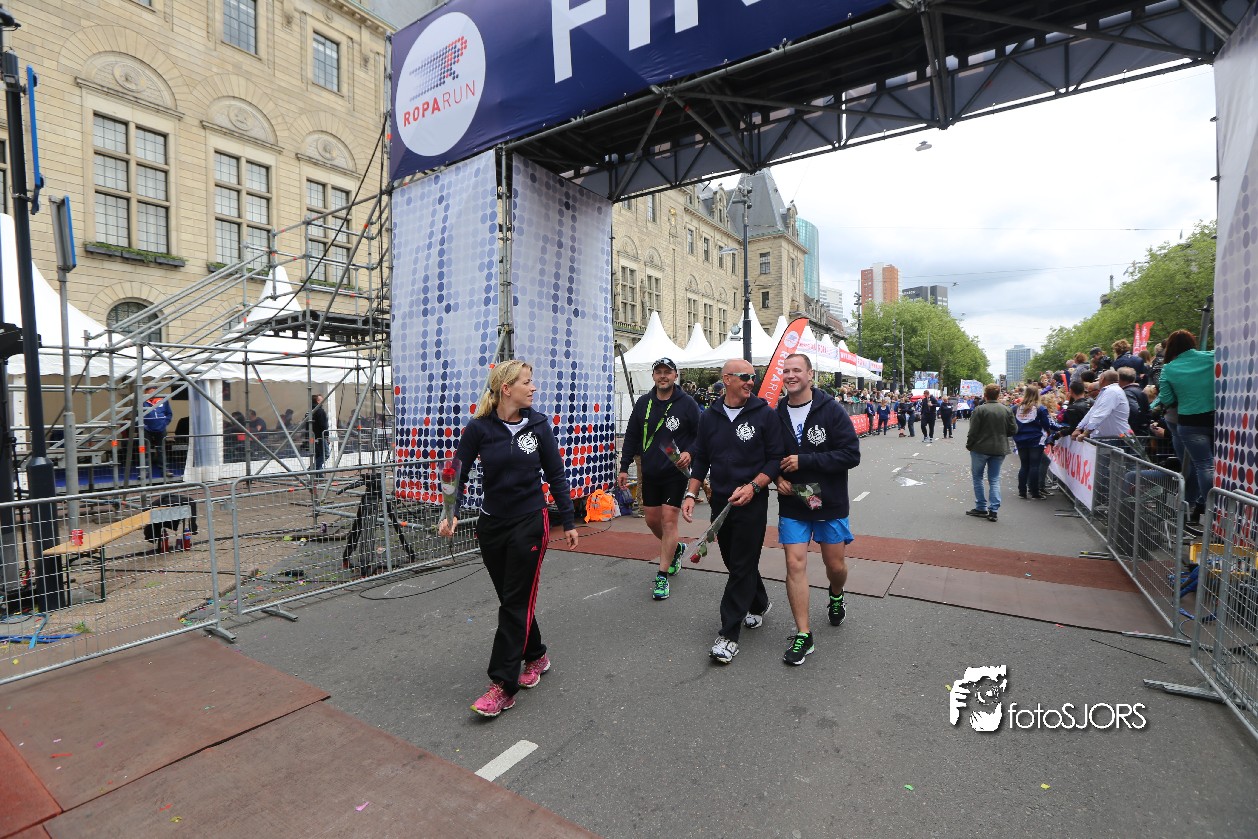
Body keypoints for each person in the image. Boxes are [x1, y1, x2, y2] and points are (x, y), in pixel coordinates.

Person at [438, 360, 579, 718]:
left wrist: (568, 520)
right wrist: (449, 511)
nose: (533, 388)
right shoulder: (479, 428)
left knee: (515, 601)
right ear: (506, 389)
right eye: (526, 382)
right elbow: (455, 470)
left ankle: (502, 685)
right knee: (512, 598)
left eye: (532, 382)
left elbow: (556, 474)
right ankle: (537, 655)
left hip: (530, 522)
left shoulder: (539, 425)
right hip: (491, 524)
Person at [681, 358, 785, 665]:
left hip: (752, 501)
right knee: (734, 561)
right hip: (720, 502)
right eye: (744, 376)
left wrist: (753, 486)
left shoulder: (764, 414)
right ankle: (760, 602)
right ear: (726, 379)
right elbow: (701, 458)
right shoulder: (709, 416)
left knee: (741, 565)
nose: (751, 381)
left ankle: (728, 635)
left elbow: (774, 459)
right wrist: (691, 493)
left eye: (753, 377)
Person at [774, 354, 860, 666]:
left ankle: (836, 594)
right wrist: (777, 477)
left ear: (810, 375)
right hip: (793, 502)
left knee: (834, 566)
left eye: (797, 370)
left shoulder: (831, 410)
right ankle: (803, 634)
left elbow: (851, 454)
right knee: (794, 564)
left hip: (828, 502)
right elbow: (768, 454)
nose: (790, 375)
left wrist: (806, 461)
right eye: (786, 370)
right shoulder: (776, 412)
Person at [617, 357, 701, 600]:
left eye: (668, 372)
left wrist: (690, 452)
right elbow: (632, 435)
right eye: (659, 372)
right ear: (654, 376)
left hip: (675, 472)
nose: (663, 376)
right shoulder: (644, 403)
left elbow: (701, 435)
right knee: (652, 520)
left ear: (675, 375)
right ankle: (675, 548)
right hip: (650, 471)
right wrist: (624, 467)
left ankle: (662, 576)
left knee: (669, 520)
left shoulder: (687, 403)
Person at [1150, 329, 1215, 524]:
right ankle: (1213, 508)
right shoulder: (1212, 357)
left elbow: (1167, 399)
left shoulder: (1168, 369)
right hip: (1217, 419)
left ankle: (1210, 509)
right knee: (1217, 464)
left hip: (1189, 422)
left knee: (1204, 465)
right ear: (1192, 342)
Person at [965, 383, 1016, 522]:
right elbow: (1013, 430)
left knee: (978, 477)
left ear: (985, 395)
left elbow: (973, 431)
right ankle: (993, 510)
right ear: (998, 395)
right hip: (999, 448)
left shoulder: (980, 410)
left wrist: (970, 445)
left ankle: (981, 506)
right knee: (994, 479)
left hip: (980, 448)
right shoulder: (1006, 410)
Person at [1012, 384, 1053, 500]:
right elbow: (1046, 424)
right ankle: (1035, 492)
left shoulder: (1015, 408)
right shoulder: (1040, 408)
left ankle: (1022, 491)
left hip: (1020, 439)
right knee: (1034, 466)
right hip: (1035, 439)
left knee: (1024, 465)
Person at [1072, 369, 1131, 441]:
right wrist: (1079, 428)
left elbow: (1100, 414)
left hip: (1114, 439)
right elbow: (1093, 411)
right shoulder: (1109, 391)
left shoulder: (1112, 391)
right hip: (1110, 438)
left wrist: (1086, 433)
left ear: (1102, 379)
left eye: (1098, 379)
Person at [142, 386, 173, 477]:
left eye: (155, 392)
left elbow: (169, 413)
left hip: (161, 428)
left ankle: (165, 471)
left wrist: (164, 423)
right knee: (145, 451)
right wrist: (143, 425)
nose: (153, 394)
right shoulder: (142, 401)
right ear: (146, 392)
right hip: (146, 429)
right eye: (151, 392)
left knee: (161, 450)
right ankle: (145, 471)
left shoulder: (163, 400)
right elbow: (136, 415)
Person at [309, 394, 329, 470]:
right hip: (320, 437)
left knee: (318, 455)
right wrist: (326, 436)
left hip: (313, 437)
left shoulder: (310, 411)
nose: (323, 400)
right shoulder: (320, 411)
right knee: (325, 454)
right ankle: (312, 468)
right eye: (321, 399)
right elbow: (323, 425)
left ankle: (318, 474)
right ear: (317, 401)